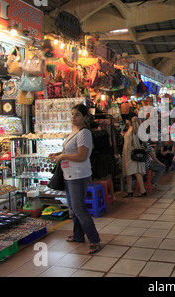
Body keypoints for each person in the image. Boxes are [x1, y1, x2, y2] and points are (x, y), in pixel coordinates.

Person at [48, 104, 101, 254]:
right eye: (72, 114)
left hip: (78, 175)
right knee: (73, 207)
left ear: (85, 117)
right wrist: (59, 154)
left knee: (79, 209)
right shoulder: (75, 131)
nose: (73, 117)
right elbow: (71, 150)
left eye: (77, 114)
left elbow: (82, 156)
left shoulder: (84, 133)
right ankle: (78, 235)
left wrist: (62, 156)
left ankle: (94, 240)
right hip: (69, 174)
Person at [122, 116, 147, 197]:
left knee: (136, 171)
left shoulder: (134, 128)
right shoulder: (129, 128)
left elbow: (137, 131)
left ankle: (142, 190)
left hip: (131, 152)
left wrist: (134, 121)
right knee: (128, 172)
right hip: (127, 152)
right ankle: (129, 190)